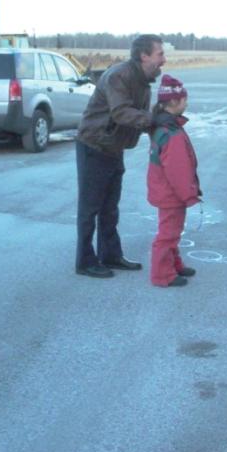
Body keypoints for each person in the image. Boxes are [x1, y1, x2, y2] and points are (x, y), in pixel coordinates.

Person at [75, 34, 165, 278]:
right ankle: (85, 261)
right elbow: (121, 112)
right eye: (160, 54)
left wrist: (161, 126)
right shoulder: (119, 75)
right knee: (90, 208)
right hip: (94, 146)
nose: (163, 60)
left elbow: (140, 116)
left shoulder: (143, 81)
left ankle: (111, 255)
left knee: (110, 208)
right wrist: (153, 120)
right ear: (144, 55)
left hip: (112, 148)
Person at [147, 75, 201, 287]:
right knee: (168, 234)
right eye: (184, 99)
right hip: (171, 194)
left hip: (165, 191)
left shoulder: (164, 126)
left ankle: (174, 264)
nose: (186, 103)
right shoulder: (172, 133)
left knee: (173, 230)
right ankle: (162, 275)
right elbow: (178, 171)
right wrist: (189, 196)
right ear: (174, 102)